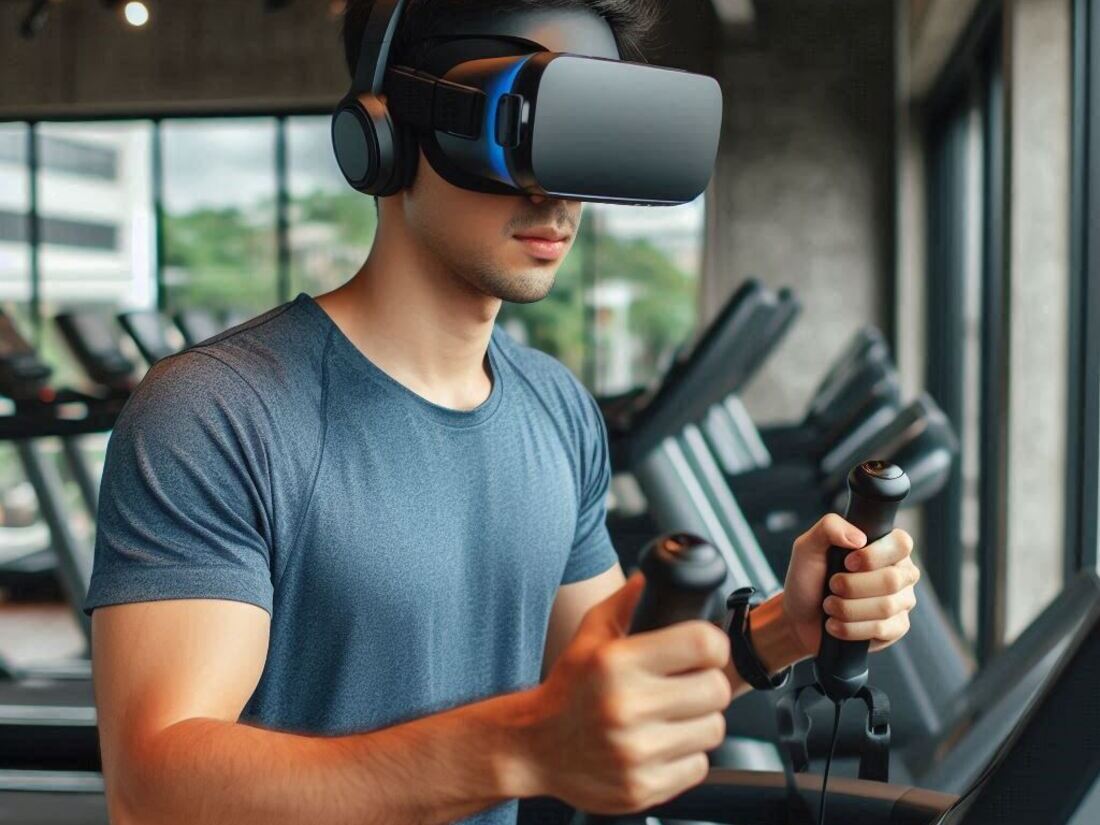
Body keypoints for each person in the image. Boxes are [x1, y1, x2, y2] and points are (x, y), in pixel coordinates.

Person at [87, 1, 922, 823]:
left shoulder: (555, 405)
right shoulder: (217, 412)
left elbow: (599, 676)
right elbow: (155, 789)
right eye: (526, 131)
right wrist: (522, 746)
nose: (559, 194)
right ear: (386, 134)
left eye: (588, 136)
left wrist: (782, 626)